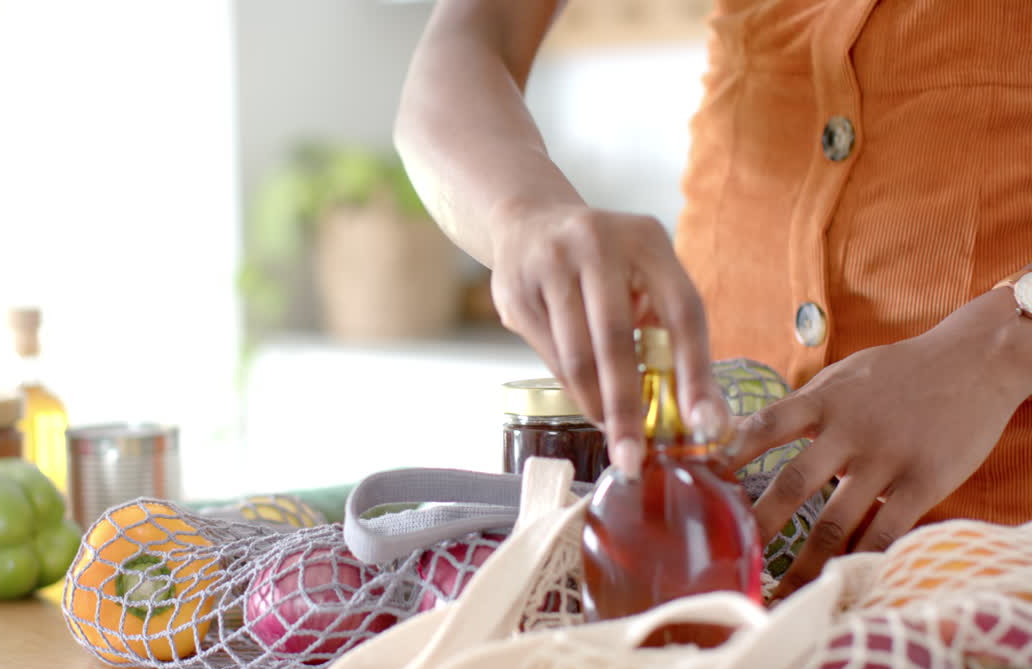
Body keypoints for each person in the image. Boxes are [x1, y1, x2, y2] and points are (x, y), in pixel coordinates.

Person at [395, 0, 1032, 600]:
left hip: (1002, 557)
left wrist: (1006, 340)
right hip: (721, 561)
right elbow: (476, 30)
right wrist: (521, 216)